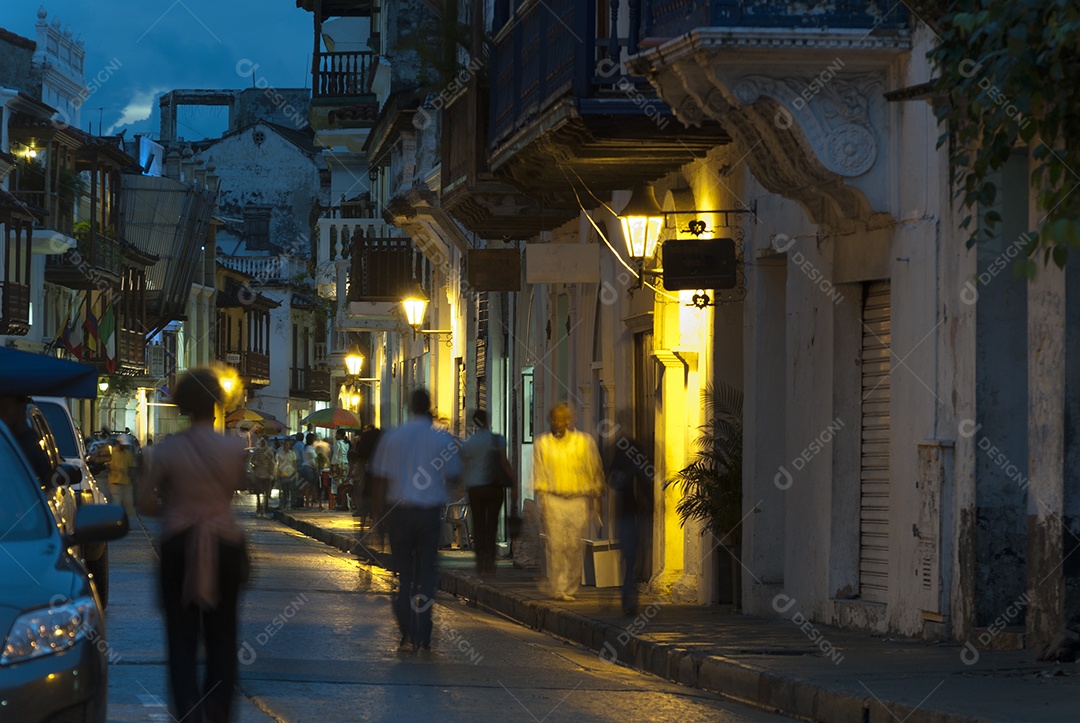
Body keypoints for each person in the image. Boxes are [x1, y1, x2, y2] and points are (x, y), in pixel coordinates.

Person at [137, 367, 248, 723]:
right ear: (217, 403)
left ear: (182, 406)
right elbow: (244, 486)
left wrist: (176, 507)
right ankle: (218, 710)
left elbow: (143, 503)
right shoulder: (234, 448)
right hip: (225, 544)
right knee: (224, 635)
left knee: (181, 638)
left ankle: (186, 710)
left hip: (179, 544)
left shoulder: (168, 450)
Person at [369, 389, 461, 651]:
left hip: (399, 514)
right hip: (429, 514)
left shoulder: (392, 437)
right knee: (427, 574)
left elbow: (380, 480)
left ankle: (406, 631)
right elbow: (454, 475)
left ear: (409, 406)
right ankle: (424, 630)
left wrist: (377, 518)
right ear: (429, 408)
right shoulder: (441, 440)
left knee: (404, 575)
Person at [533, 402, 604, 602]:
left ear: (569, 420)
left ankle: (571, 586)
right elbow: (539, 474)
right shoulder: (542, 444)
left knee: (573, 545)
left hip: (578, 499)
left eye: (561, 419)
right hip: (553, 499)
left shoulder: (584, 442)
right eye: (554, 419)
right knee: (555, 545)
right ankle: (558, 587)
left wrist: (597, 500)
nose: (557, 423)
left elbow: (594, 471)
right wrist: (542, 502)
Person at [607, 426, 654, 615]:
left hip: (631, 514)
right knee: (630, 558)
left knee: (630, 558)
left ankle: (628, 598)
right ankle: (628, 598)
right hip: (629, 515)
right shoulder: (627, 468)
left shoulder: (633, 467)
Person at [460, 409, 510, 577]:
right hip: (494, 487)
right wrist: (515, 483)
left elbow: (465, 467)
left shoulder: (469, 443)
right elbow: (504, 462)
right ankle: (490, 562)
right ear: (487, 422)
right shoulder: (497, 440)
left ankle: (480, 563)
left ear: (475, 424)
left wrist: (462, 486)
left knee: (479, 524)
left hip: (475, 488)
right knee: (492, 524)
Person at [108, 437, 136, 519]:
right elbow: (108, 467)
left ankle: (126, 523)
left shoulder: (128, 454)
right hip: (115, 483)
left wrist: (132, 479)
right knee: (116, 505)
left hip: (126, 483)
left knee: (128, 506)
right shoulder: (112, 453)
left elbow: (132, 467)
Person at [249, 437, 276, 515]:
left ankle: (264, 507)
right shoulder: (257, 451)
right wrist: (255, 463)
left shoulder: (269, 452)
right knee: (258, 492)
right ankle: (260, 506)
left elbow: (272, 464)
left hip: (266, 475)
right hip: (258, 474)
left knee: (266, 493)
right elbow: (252, 460)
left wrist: (271, 474)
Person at [331, 429, 350, 511]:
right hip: (346, 464)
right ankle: (347, 503)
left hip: (338, 465)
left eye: (336, 434)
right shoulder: (346, 444)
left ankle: (341, 504)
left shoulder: (338, 444)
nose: (335, 436)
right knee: (345, 485)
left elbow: (335, 456)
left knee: (339, 486)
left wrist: (332, 466)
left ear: (339, 435)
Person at [274, 440, 297, 510]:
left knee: (291, 490)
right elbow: (277, 464)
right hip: (282, 474)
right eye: (285, 445)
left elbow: (294, 463)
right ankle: (282, 504)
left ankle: (290, 505)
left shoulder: (292, 454)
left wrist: (296, 472)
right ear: (283, 446)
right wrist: (277, 473)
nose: (286, 446)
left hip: (291, 474)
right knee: (283, 491)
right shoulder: (279, 454)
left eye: (288, 445)